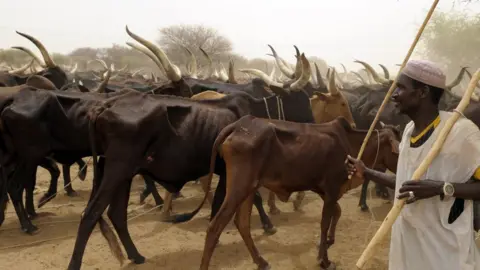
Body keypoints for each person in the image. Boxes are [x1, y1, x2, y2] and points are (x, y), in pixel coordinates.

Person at [346, 59, 480, 270]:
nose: (394, 94)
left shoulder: (462, 133)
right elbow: (404, 184)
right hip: (409, 244)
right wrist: (367, 171)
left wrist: (441, 188)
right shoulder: (408, 131)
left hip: (447, 251)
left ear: (422, 92)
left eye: (401, 87)